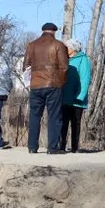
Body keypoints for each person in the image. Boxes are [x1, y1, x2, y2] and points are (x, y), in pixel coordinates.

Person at [23, 22, 69, 154]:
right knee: (54, 116)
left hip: (36, 85)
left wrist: (30, 82)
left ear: (42, 30)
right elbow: (65, 68)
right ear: (54, 32)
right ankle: (52, 148)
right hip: (53, 84)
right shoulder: (59, 45)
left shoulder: (32, 45)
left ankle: (32, 147)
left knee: (34, 116)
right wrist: (61, 83)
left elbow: (25, 66)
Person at [62, 38, 92, 152]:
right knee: (63, 123)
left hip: (77, 98)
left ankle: (75, 147)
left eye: (67, 47)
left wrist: (81, 96)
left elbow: (85, 78)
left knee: (75, 123)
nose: (65, 49)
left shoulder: (83, 59)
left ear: (73, 48)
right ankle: (61, 146)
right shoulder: (65, 59)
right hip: (65, 97)